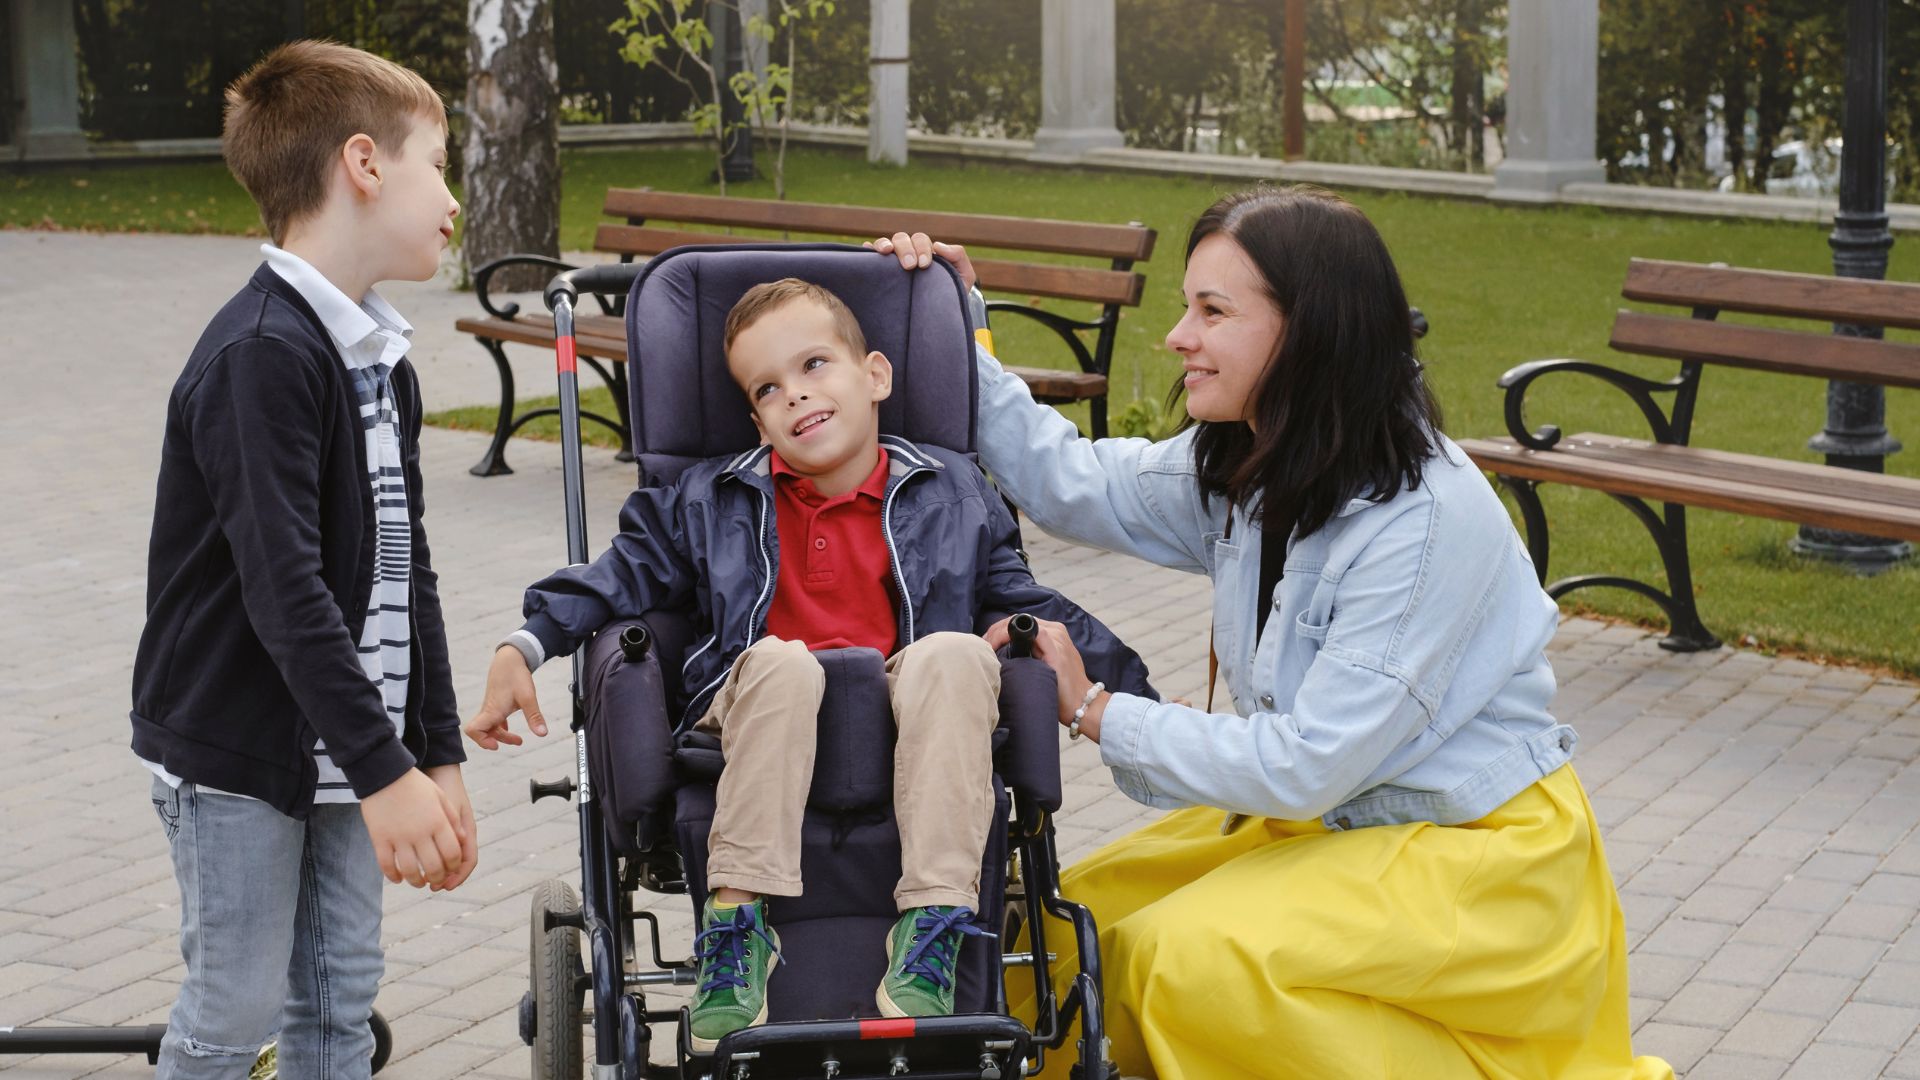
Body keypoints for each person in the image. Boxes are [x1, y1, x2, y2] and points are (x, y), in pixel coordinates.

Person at [874, 187, 1673, 1079]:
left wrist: (1099, 707)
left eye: (1213, 311)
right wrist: (953, 321)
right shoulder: (1261, 459)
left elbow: (1308, 763)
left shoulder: (1423, 518)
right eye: (1189, 306)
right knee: (1057, 940)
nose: (1180, 336)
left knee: (1191, 965)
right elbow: (1070, 483)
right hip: (1330, 826)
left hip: (1473, 855)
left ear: (1311, 333)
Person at [465, 278, 1151, 1050]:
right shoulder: (710, 499)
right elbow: (617, 577)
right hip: (758, 706)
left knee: (957, 654)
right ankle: (736, 929)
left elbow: (1030, 601)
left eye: (815, 365)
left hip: (905, 718)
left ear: (877, 377)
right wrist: (523, 645)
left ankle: (933, 928)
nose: (796, 395)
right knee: (784, 664)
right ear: (756, 418)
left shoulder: (952, 492)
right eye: (769, 387)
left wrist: (1133, 702)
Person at [128, 41, 475, 1080]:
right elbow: (285, 593)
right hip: (241, 751)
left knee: (337, 1008)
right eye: (438, 165)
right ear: (364, 165)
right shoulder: (263, 355)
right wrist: (387, 775)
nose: (452, 200)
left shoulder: (377, 359)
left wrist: (436, 752)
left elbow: (409, 573)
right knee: (232, 1014)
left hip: (345, 745)